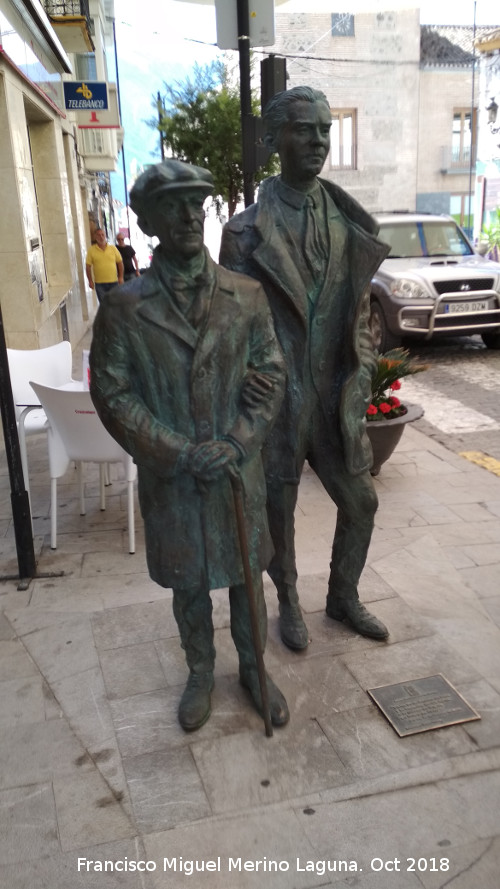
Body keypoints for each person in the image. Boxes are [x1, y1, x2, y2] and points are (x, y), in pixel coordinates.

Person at [89, 160, 289, 732]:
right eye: (172, 205)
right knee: (189, 583)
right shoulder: (124, 308)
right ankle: (200, 670)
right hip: (173, 477)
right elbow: (113, 393)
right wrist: (177, 451)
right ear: (148, 220)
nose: (187, 215)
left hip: (235, 471)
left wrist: (238, 441)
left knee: (249, 578)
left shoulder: (246, 296)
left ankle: (254, 670)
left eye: (195, 204)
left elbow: (271, 372)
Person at [219, 86, 391, 650]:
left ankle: (342, 596)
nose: (317, 140)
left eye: (323, 129)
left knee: (361, 501)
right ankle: (288, 597)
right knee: (280, 506)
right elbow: (232, 328)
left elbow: (362, 312)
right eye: (303, 129)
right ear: (274, 139)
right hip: (279, 398)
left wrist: (362, 371)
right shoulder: (244, 233)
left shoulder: (347, 221)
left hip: (335, 393)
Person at [86, 228, 124, 301]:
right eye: (99, 235)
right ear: (95, 237)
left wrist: (121, 277)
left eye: (102, 235)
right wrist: (90, 280)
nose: (101, 237)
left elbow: (120, 263)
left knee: (114, 303)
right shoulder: (91, 250)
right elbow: (88, 266)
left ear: (105, 236)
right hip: (100, 284)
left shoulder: (113, 248)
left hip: (114, 282)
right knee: (104, 305)